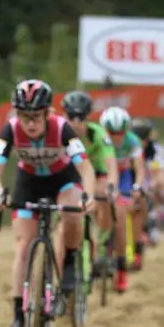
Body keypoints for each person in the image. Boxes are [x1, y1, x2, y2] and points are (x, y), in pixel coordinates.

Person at [0, 79, 96, 327]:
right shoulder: (10, 130)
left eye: (36, 117)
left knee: (71, 212)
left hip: (63, 179)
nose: (30, 123)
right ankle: (18, 317)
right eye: (24, 116)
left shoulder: (62, 128)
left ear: (48, 113)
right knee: (23, 247)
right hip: (29, 182)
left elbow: (85, 168)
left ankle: (69, 262)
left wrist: (88, 194)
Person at [61, 90, 118, 271]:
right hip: (70, 174)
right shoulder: (59, 131)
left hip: (96, 172)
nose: (76, 122)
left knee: (103, 195)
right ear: (64, 115)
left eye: (81, 117)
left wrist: (112, 186)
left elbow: (111, 165)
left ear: (88, 117)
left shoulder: (98, 133)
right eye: (71, 116)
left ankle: (102, 243)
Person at [99, 107, 145, 292]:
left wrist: (137, 187)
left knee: (119, 221)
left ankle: (121, 269)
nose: (117, 137)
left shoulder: (133, 141)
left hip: (124, 178)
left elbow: (140, 169)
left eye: (121, 133)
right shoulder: (98, 138)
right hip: (102, 176)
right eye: (112, 133)